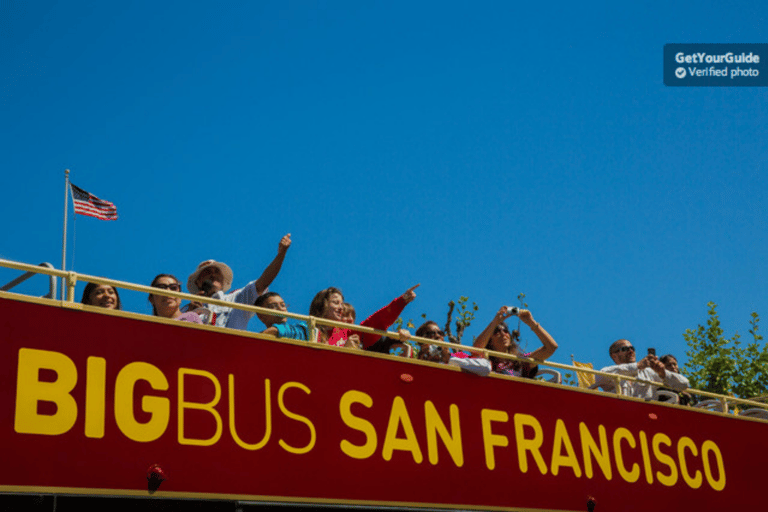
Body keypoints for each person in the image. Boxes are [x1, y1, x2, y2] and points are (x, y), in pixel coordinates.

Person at [186, 233, 292, 329]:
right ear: (197, 282)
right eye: (207, 272)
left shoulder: (237, 298)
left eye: (217, 272)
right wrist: (189, 315)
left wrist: (281, 254)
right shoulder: (184, 309)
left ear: (223, 281)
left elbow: (263, 282)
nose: (213, 274)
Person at [308, 284, 419, 348]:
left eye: (342, 304)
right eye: (336, 303)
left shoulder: (347, 333)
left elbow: (375, 322)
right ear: (323, 305)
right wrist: (344, 348)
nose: (341, 308)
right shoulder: (307, 330)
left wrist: (401, 301)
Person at [473, 306, 558, 378]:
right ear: (490, 341)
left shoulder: (520, 361)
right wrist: (495, 322)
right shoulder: (485, 359)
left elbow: (551, 347)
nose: (503, 334)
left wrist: (531, 322)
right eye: (497, 332)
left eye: (506, 331)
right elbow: (475, 350)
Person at [594, 340, 690, 400]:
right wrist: (637, 366)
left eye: (632, 348)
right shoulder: (609, 371)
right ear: (614, 356)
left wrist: (663, 373)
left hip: (645, 420)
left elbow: (684, 384)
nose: (630, 351)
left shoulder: (649, 372)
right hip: (619, 420)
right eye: (624, 349)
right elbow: (600, 376)